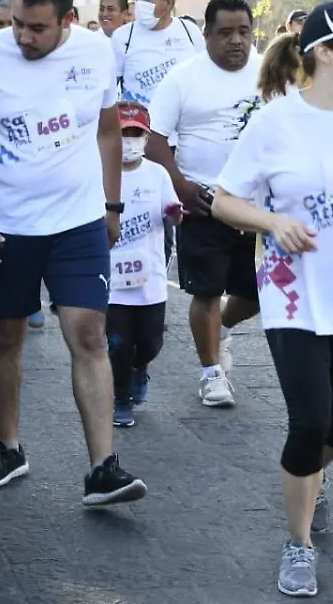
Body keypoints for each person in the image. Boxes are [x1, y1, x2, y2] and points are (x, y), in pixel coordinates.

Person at [212, 0, 333, 598]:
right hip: (294, 295)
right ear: (325, 51)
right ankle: (299, 543)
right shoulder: (276, 122)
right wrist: (272, 222)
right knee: (311, 419)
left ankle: (309, 479)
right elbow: (223, 199)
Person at [0, 0, 148, 505]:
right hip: (6, 225)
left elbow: (109, 131)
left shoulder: (94, 52)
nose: (23, 37)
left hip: (79, 221)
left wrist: (112, 205)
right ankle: (9, 447)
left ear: (67, 20)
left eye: (37, 28)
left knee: (89, 335)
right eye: (17, 24)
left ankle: (102, 467)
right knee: (7, 340)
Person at [145, 0, 262, 408]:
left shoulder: (270, 72)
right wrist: (179, 185)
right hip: (203, 200)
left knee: (258, 292)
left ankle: (223, 330)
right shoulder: (183, 77)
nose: (236, 41)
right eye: (226, 33)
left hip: (259, 205)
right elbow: (154, 138)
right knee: (207, 291)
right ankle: (211, 373)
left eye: (244, 32)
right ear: (207, 34)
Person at [108, 101, 181, 427]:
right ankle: (120, 396)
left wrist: (175, 214)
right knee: (117, 342)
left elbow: (171, 207)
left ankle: (140, 368)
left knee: (150, 341)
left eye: (136, 133)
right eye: (124, 133)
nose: (129, 141)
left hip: (149, 275)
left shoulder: (158, 173)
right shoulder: (100, 172)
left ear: (147, 137)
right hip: (113, 276)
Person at [111, 0, 203, 104]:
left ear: (168, 2)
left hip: (184, 121)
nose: (140, 3)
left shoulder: (190, 31)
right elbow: (110, 88)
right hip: (141, 122)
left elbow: (204, 76)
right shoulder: (123, 37)